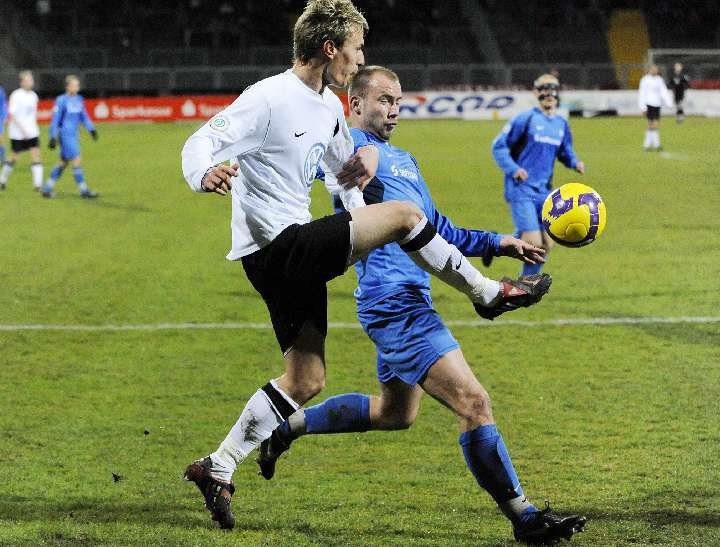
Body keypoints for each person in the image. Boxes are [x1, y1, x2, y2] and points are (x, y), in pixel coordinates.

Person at [180, 0, 552, 531]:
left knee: (305, 380)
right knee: (404, 215)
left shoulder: (328, 108)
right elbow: (202, 140)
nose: (358, 61)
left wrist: (358, 193)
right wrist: (204, 175)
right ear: (329, 47)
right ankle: (487, 294)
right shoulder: (269, 97)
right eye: (356, 50)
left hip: (296, 258)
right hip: (276, 246)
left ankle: (218, 465)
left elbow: (343, 174)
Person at [256, 66, 586, 545]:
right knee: (474, 403)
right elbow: (337, 162)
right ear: (355, 104)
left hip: (410, 296)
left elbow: (438, 229)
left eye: (398, 101)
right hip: (395, 303)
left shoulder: (404, 159)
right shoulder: (350, 151)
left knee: (395, 414)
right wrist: (359, 152)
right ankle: (526, 519)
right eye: (383, 100)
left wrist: (499, 242)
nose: (394, 110)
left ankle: (287, 427)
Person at [488, 73, 585, 276]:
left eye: (553, 89)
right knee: (533, 242)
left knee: (548, 242)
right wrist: (514, 169)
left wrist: (574, 162)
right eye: (543, 89)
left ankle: (493, 245)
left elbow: (565, 150)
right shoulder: (525, 119)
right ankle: (525, 285)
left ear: (558, 93)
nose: (549, 93)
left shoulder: (561, 124)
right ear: (535, 92)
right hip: (521, 188)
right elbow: (499, 146)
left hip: (545, 191)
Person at [42, 75, 99, 199]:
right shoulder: (61, 100)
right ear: (68, 87)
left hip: (74, 135)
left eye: (78, 85)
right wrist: (52, 137)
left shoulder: (79, 99)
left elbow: (84, 116)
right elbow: (55, 120)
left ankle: (47, 189)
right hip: (65, 135)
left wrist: (91, 129)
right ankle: (84, 190)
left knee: (63, 163)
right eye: (74, 85)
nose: (77, 88)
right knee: (77, 159)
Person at [0, 71, 44, 191]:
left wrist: (32, 128)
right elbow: (12, 115)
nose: (30, 82)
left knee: (36, 155)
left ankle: (38, 185)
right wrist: (23, 130)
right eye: (28, 80)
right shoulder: (16, 95)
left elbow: (32, 114)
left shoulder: (34, 96)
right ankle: (3, 178)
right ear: (22, 82)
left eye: (31, 80)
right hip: (18, 133)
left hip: (32, 132)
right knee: (15, 157)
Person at [638, 64, 673, 151]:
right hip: (648, 104)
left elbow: (663, 91)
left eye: (656, 69)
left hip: (657, 104)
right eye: (653, 69)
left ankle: (648, 145)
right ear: (649, 70)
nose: (655, 71)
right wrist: (643, 107)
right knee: (652, 124)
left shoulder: (659, 80)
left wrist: (669, 102)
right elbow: (642, 93)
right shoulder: (645, 80)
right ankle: (655, 145)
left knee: (654, 125)